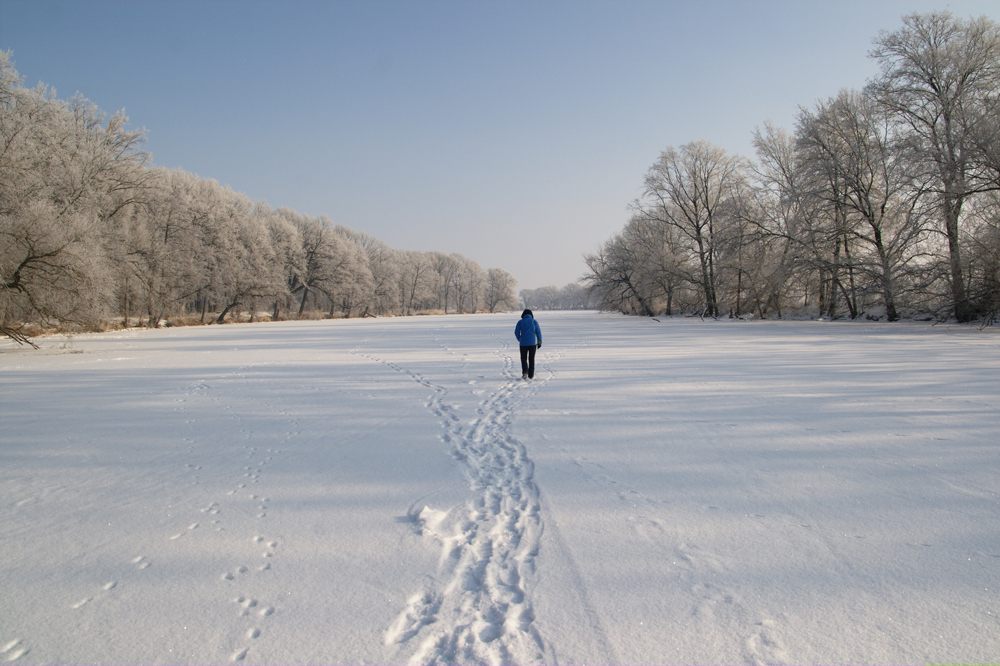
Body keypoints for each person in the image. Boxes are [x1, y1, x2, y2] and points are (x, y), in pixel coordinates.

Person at [514, 309, 542, 380]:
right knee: (531, 358)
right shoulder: (534, 322)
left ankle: (525, 372)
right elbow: (538, 332)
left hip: (523, 343)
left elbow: (516, 332)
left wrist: (519, 338)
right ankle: (531, 375)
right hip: (532, 343)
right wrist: (539, 342)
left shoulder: (520, 322)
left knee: (523, 358)